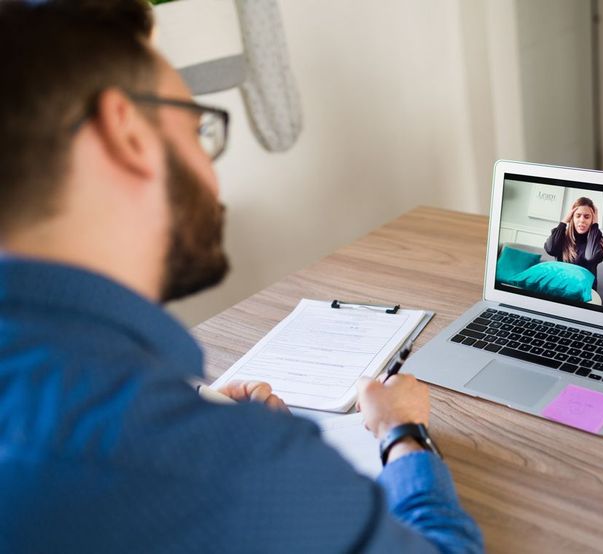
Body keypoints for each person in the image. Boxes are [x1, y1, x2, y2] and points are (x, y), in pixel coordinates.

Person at [0, 2, 482, 553]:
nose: (212, 173)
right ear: (127, 133)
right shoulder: (217, 464)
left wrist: (197, 405)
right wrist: (402, 433)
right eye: (198, 130)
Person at [543, 197, 603, 291]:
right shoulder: (562, 237)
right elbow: (550, 249)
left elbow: (591, 257)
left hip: (585, 292)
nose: (582, 220)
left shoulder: (598, 240)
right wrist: (564, 222)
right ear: (572, 217)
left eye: (587, 217)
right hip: (561, 288)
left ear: (592, 219)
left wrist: (595, 226)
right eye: (578, 216)